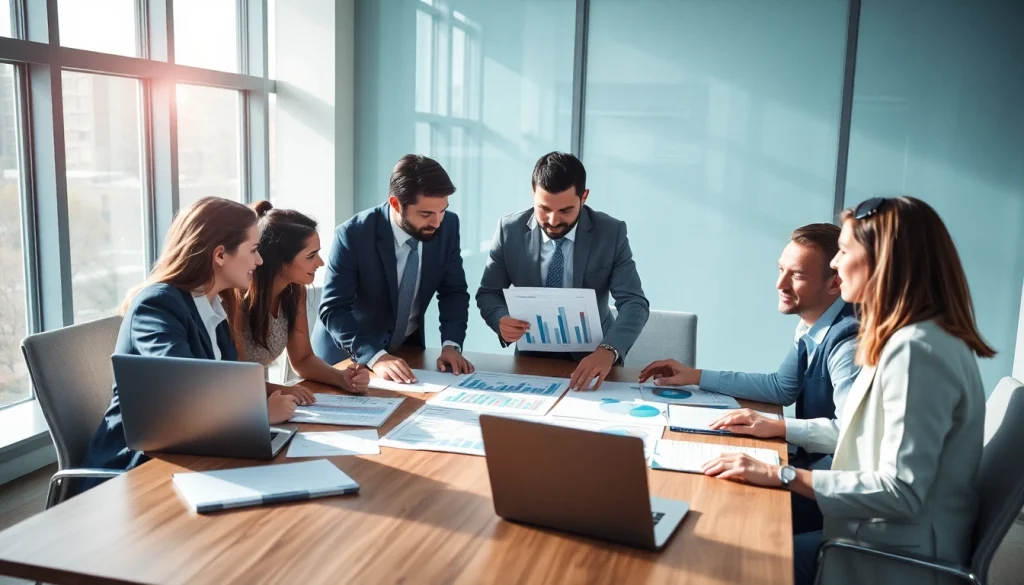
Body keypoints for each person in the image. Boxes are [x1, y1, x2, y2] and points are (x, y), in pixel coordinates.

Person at [699, 197, 993, 585]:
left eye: (843, 251)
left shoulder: (917, 350)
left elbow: (901, 490)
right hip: (871, 532)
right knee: (737, 524)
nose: (836, 264)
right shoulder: (910, 337)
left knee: (729, 556)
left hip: (891, 556)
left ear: (881, 261)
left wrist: (783, 474)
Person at [82, 197, 303, 476]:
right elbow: (185, 397)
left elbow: (226, 391)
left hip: (196, 453)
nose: (259, 260)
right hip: (139, 468)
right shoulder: (158, 304)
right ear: (220, 254)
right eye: (254, 250)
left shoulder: (214, 308)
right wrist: (260, 417)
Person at [638, 224, 859, 462]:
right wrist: (695, 376)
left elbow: (852, 435)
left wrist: (778, 427)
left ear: (835, 283)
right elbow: (782, 387)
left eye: (797, 275)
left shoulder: (848, 342)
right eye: (780, 270)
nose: (780, 284)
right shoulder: (813, 322)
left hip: (832, 480)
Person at [476, 152, 649, 391]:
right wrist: (500, 320)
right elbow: (488, 293)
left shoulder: (611, 232)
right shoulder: (510, 230)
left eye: (565, 211)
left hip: (595, 360)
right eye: (544, 209)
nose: (553, 220)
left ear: (584, 197)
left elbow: (634, 303)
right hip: (531, 361)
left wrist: (608, 351)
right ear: (533, 194)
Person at [311, 154, 475, 382]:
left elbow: (453, 291)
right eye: (426, 214)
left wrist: (451, 344)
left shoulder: (448, 226)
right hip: (346, 359)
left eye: (442, 210)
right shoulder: (353, 234)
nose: (437, 223)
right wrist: (376, 356)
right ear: (396, 204)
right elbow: (334, 310)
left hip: (405, 355)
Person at [228, 202, 369, 400]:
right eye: (311, 255)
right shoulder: (236, 300)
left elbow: (303, 359)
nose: (320, 263)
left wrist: (341, 378)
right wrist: (281, 390)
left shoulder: (295, 291)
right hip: (238, 403)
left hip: (258, 399)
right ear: (278, 260)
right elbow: (234, 377)